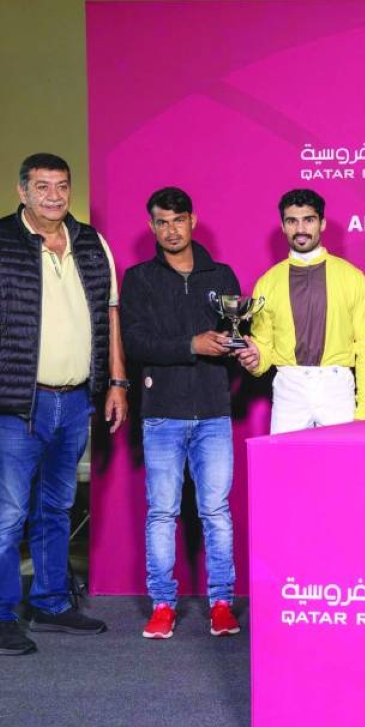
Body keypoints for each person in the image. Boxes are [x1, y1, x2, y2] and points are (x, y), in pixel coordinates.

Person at [0, 153, 127, 655]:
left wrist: (117, 381)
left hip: (74, 402)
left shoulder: (92, 243)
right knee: (6, 515)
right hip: (14, 407)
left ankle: (50, 602)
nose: (54, 195)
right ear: (22, 191)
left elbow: (110, 316)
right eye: (43, 186)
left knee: (56, 508)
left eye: (62, 186)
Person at [120, 187, 251, 639]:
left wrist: (240, 346)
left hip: (213, 411)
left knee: (216, 512)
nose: (171, 230)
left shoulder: (222, 275)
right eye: (162, 222)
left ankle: (221, 603)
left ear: (192, 221)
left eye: (178, 220)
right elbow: (135, 344)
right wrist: (191, 345)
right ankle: (162, 604)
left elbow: (238, 331)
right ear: (151, 226)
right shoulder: (139, 279)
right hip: (162, 414)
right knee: (162, 512)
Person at [245, 189, 365, 432]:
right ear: (283, 226)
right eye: (292, 221)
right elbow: (264, 345)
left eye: (308, 220)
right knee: (285, 458)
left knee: (341, 457)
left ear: (322, 223)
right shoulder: (267, 282)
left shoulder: (352, 277)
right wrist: (256, 360)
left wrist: (364, 410)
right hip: (289, 387)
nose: (300, 229)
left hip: (336, 386)